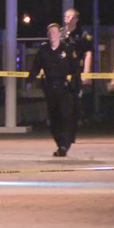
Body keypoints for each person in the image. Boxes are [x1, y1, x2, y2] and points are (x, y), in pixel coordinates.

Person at [27, 23, 80, 157]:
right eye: (50, 32)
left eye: (55, 32)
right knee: (54, 118)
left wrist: (77, 86)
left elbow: (75, 69)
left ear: (59, 34)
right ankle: (60, 144)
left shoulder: (67, 49)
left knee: (65, 116)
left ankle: (65, 144)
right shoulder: (44, 50)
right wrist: (29, 81)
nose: (52, 35)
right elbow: (36, 67)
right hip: (50, 88)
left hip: (64, 88)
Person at [61, 9, 94, 140]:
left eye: (72, 17)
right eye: (67, 16)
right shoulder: (59, 34)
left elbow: (88, 54)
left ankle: (70, 133)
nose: (68, 19)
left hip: (75, 72)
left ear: (76, 19)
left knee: (72, 103)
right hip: (60, 72)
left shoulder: (83, 35)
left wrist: (86, 73)